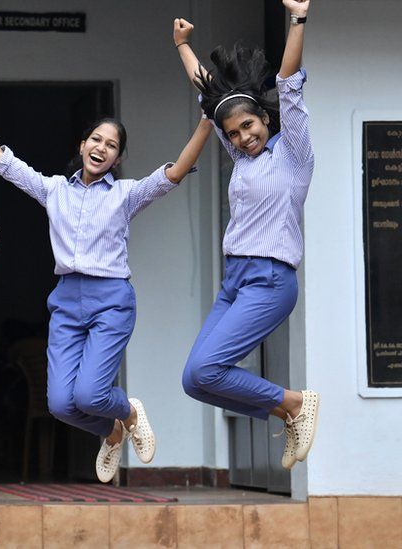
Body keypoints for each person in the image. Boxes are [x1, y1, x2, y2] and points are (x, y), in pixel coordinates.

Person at [0, 70, 212, 484]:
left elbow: (175, 172)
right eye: (96, 140)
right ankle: (111, 432)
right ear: (82, 144)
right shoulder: (54, 190)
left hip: (111, 299)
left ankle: (127, 411)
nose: (101, 148)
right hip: (67, 300)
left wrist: (208, 119)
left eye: (111, 145)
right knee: (59, 404)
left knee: (90, 394)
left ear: (117, 158)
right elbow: (1, 161)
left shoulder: (126, 195)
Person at [173, 0, 319, 471]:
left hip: (271, 280)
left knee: (208, 369)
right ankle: (288, 410)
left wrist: (297, 20)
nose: (241, 138)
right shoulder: (240, 159)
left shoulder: (293, 158)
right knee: (195, 381)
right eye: (233, 133)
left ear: (267, 120)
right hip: (234, 282)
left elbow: (288, 84)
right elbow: (210, 97)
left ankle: (295, 402)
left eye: (248, 127)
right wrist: (183, 46)